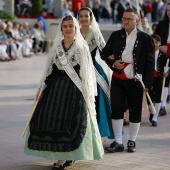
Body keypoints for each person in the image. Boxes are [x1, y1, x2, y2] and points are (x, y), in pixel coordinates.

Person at [24, 15, 104, 170]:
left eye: (71, 26)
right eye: (65, 26)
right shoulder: (56, 48)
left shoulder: (81, 47)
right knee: (51, 119)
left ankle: (68, 157)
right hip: (55, 87)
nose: (68, 29)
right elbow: (50, 70)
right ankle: (60, 156)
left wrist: (85, 93)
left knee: (71, 122)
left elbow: (86, 73)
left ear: (75, 28)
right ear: (61, 28)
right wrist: (41, 88)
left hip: (74, 89)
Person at [101, 8, 154, 153]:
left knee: (135, 110)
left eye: (129, 19)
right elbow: (104, 52)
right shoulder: (116, 35)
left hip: (137, 80)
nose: (125, 21)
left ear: (136, 21)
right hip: (118, 78)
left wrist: (148, 83)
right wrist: (113, 63)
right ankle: (118, 142)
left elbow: (150, 62)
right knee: (117, 108)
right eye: (124, 18)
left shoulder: (145, 38)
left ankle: (132, 141)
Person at [78, 7, 114, 140]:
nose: (83, 19)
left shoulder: (95, 33)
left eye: (86, 16)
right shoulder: (74, 31)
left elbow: (104, 52)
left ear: (91, 18)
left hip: (93, 70)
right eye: (81, 16)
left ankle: (96, 133)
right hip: (76, 70)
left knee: (98, 101)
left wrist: (114, 61)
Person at [148, 34, 168, 127]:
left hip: (159, 79)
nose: (155, 44)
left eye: (156, 42)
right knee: (150, 98)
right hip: (149, 79)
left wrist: (166, 72)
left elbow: (167, 66)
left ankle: (155, 117)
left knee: (158, 98)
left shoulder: (163, 54)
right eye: (153, 42)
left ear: (159, 43)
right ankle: (152, 112)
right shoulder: (147, 54)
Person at [155, 3, 170, 116]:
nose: (169, 12)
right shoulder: (162, 23)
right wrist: (160, 47)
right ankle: (163, 105)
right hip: (164, 55)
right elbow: (155, 39)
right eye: (168, 10)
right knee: (165, 80)